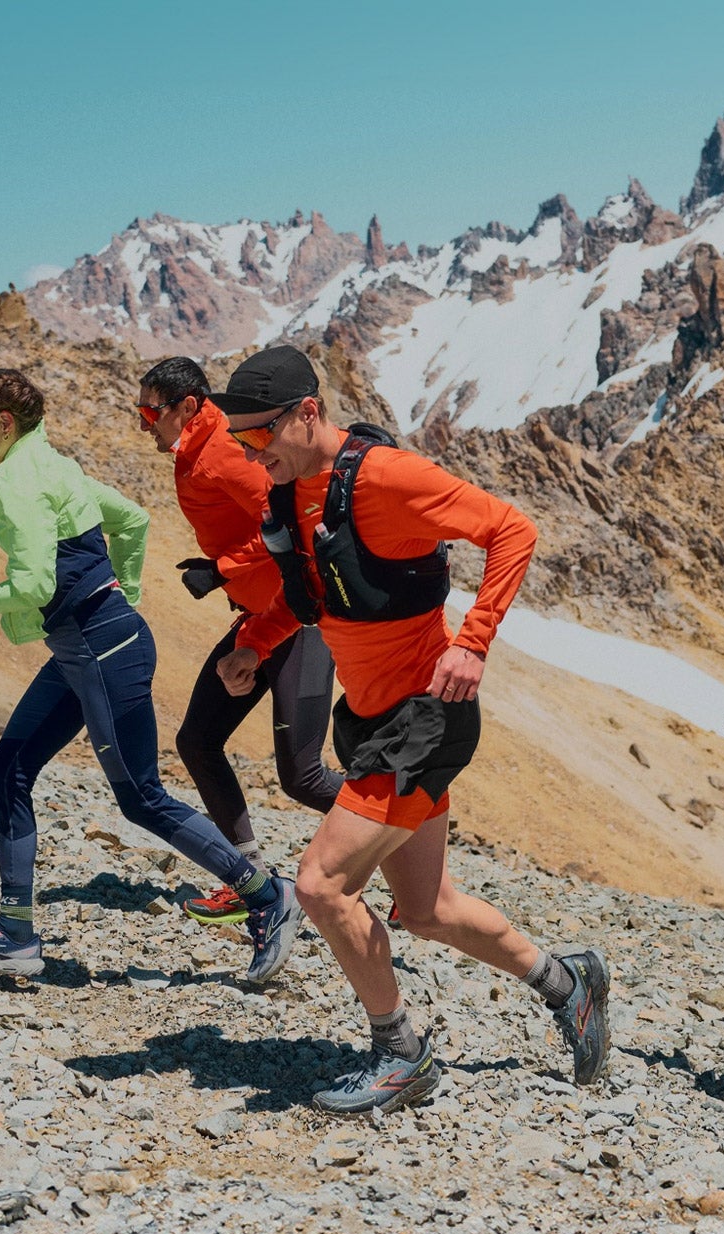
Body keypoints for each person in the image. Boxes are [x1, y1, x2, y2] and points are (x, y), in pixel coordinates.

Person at [212, 346, 612, 1114]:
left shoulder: (386, 479)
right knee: (426, 908)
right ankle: (571, 984)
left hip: (425, 721)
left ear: (307, 413)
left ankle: (402, 1054)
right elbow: (317, 592)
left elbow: (512, 529)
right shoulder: (293, 491)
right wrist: (254, 647)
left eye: (259, 436)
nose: (251, 454)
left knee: (320, 886)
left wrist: (472, 641)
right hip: (367, 720)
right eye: (239, 442)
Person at [0, 368, 303, 985]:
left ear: (4, 425)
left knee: (142, 798)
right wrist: (123, 592)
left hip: (99, 652)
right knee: (7, 771)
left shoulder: (18, 480)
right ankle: (14, 935)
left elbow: (35, 586)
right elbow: (132, 520)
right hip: (91, 648)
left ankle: (265, 895)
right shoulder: (52, 464)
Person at [133, 356, 344, 926]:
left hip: (297, 621)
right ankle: (248, 880)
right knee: (198, 742)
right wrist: (225, 573)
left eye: (153, 411)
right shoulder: (194, 452)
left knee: (302, 778)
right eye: (141, 411)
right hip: (256, 619)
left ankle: (406, 830)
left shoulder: (225, 449)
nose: (145, 423)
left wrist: (222, 567)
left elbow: (285, 525)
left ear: (189, 407)